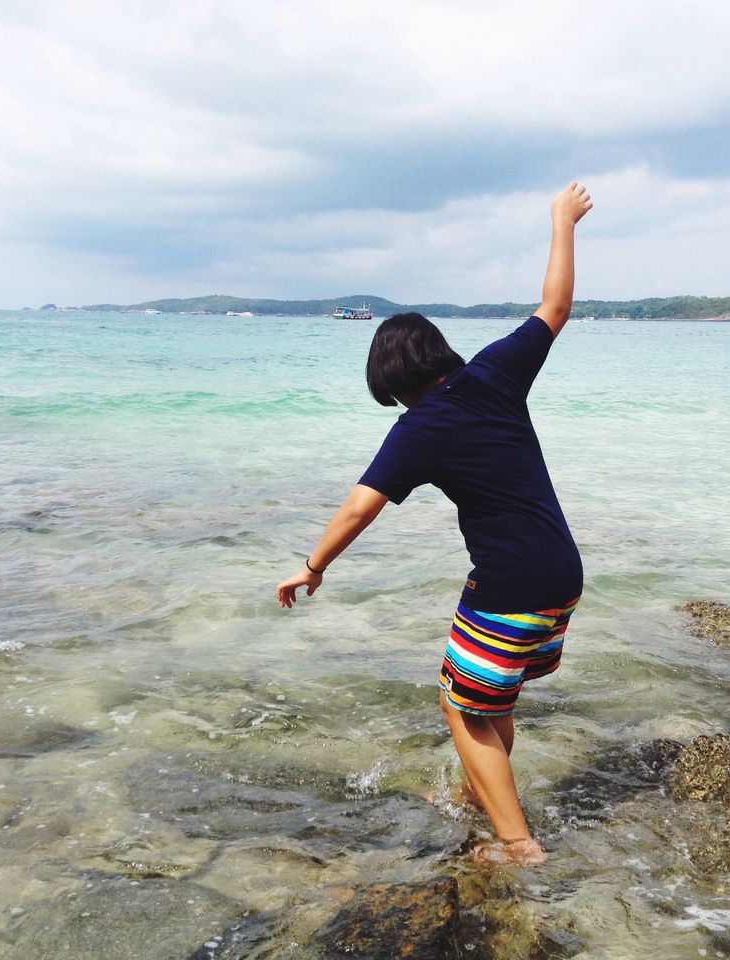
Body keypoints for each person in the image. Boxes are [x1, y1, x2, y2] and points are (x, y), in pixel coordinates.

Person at [276, 181, 592, 865]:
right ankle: (481, 801)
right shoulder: (497, 372)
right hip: (562, 572)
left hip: (509, 582)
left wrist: (312, 566)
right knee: (492, 698)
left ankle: (517, 845)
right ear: (440, 351)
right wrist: (562, 221)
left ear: (388, 380)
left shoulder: (417, 429)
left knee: (461, 704)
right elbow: (556, 306)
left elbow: (360, 505)